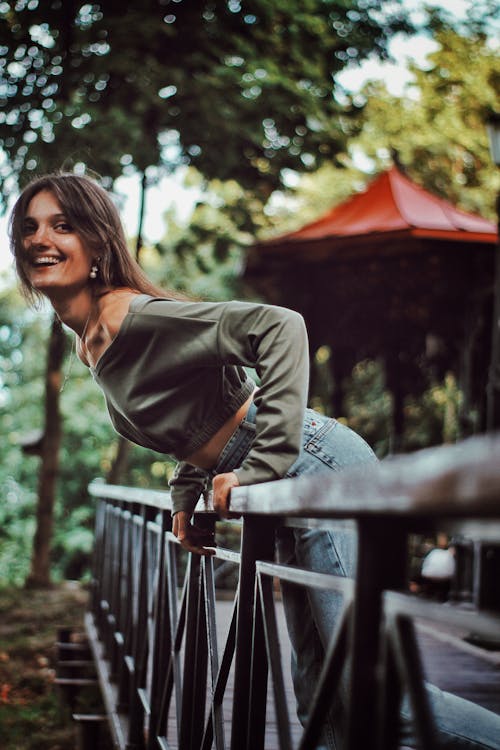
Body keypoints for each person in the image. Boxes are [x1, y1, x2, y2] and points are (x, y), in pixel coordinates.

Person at [10, 172, 500, 750]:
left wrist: (264, 463)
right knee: (321, 695)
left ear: (96, 242)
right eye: (29, 226)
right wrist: (186, 499)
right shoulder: (89, 338)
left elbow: (280, 327)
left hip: (319, 467)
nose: (40, 238)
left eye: (62, 225)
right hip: (291, 477)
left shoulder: (127, 315)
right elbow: (199, 416)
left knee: (380, 699)